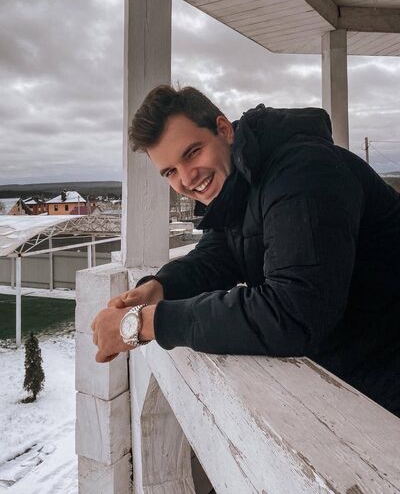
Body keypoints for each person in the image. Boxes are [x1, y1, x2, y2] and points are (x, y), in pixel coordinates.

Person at [92, 85, 400, 416]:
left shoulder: (303, 173)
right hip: (361, 375)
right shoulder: (244, 181)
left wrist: (150, 322)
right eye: (170, 171)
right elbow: (219, 253)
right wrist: (160, 286)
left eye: (192, 152)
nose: (187, 178)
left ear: (224, 130)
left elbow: (294, 312)